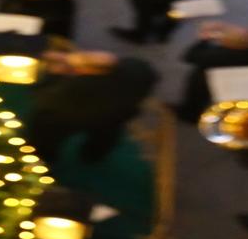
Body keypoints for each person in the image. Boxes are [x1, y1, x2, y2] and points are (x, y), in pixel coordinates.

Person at [26, 50, 159, 165]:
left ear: (83, 71)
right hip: (117, 116)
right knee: (106, 133)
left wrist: (54, 74)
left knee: (43, 122)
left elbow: (43, 99)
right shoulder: (136, 72)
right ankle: (93, 155)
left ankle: (43, 157)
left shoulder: (77, 86)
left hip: (74, 117)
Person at [173, 22, 248, 122]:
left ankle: (189, 114)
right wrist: (240, 33)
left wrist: (204, 39)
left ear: (228, 44)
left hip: (213, 80)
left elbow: (189, 56)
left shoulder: (216, 56)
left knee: (197, 89)